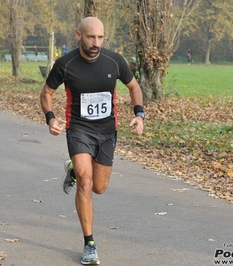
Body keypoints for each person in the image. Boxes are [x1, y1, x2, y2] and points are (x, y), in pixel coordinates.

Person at [40, 17, 144, 265]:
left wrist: (139, 114)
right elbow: (47, 93)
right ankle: (89, 244)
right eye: (90, 37)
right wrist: (50, 118)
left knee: (99, 187)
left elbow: (134, 87)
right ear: (79, 35)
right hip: (79, 129)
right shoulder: (65, 64)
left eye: (100, 38)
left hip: (107, 132)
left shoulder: (115, 61)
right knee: (85, 183)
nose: (96, 43)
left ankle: (72, 169)